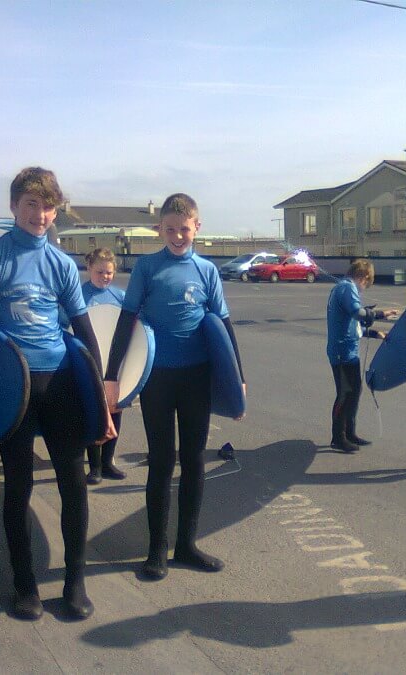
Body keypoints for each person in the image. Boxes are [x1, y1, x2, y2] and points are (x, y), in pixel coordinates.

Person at [0, 167, 111, 622]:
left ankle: (74, 580)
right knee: (18, 486)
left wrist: (102, 404)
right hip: (14, 388)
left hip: (61, 382)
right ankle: (25, 585)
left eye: (47, 206)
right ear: (13, 207)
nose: (40, 215)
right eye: (30, 204)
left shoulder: (62, 264)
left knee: (74, 484)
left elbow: (85, 336)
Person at [105, 193, 245, 581]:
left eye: (184, 229)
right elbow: (125, 321)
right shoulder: (148, 268)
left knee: (195, 460)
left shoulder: (207, 271)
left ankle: (186, 545)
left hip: (196, 376)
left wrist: (239, 379)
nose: (178, 236)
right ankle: (156, 550)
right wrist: (112, 376)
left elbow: (224, 325)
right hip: (158, 380)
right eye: (170, 229)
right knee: (162, 461)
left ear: (197, 227)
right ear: (159, 229)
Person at [326, 259, 396, 452]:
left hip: (348, 351)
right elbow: (358, 314)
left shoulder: (344, 288)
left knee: (354, 392)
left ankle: (350, 433)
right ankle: (338, 437)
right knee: (345, 394)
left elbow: (353, 326)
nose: (364, 288)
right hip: (342, 352)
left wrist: (375, 333)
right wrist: (381, 314)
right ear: (364, 276)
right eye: (367, 283)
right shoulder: (347, 288)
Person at [82, 248, 127, 484]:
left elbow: (134, 328)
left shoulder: (120, 297)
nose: (105, 276)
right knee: (94, 411)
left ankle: (108, 462)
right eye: (100, 272)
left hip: (113, 364)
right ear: (89, 268)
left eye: (109, 272)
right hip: (89, 362)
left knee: (114, 408)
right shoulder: (78, 295)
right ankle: (95, 466)